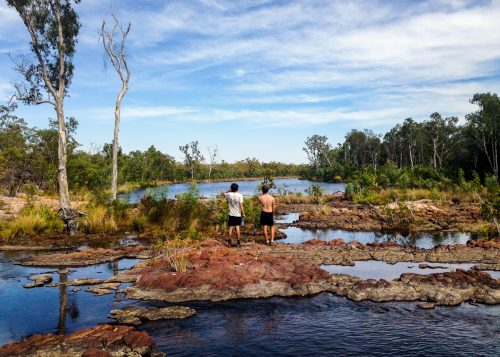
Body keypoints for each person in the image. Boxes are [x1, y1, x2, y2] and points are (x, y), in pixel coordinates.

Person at [221, 183, 245, 247]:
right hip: (238, 214)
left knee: (230, 228)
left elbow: (223, 193)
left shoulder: (229, 194)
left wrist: (229, 190)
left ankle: (229, 242)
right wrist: (243, 214)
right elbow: (241, 206)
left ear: (231, 188)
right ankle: (238, 242)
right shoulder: (240, 195)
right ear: (237, 188)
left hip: (231, 214)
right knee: (237, 228)